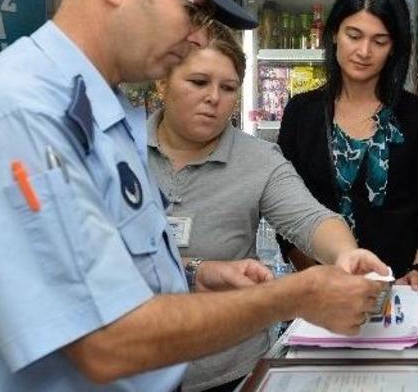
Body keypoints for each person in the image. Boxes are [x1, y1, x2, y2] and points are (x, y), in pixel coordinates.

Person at [0, 0, 387, 390]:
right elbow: (104, 341)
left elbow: (96, 271)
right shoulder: (15, 120)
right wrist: (292, 296)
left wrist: (193, 278)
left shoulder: (102, 118)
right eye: (193, 11)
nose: (199, 36)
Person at [149, 21, 370, 392]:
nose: (214, 98)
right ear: (161, 82)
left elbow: (311, 218)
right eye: (198, 82)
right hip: (133, 368)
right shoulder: (114, 149)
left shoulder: (259, 159)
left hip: (228, 370)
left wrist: (346, 254)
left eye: (228, 88)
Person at [276, 0, 418, 305]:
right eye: (353, 35)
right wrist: (315, 278)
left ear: (395, 47)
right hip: (319, 294)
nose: (364, 51)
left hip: (400, 292)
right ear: (333, 34)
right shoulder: (301, 113)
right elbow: (286, 212)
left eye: (379, 41)